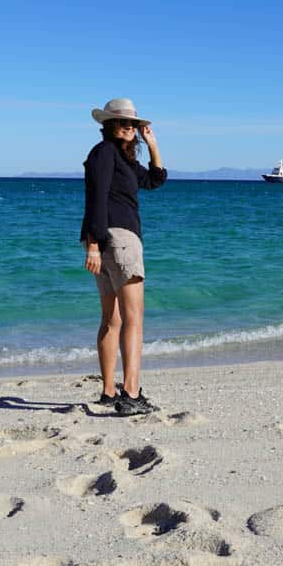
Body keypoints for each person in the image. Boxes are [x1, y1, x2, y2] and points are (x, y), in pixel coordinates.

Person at [80, 98, 167, 415]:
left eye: (133, 123)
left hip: (106, 240)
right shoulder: (104, 152)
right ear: (109, 125)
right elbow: (96, 197)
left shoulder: (124, 160)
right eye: (123, 122)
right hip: (118, 240)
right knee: (133, 318)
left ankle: (109, 392)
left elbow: (155, 180)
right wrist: (93, 244)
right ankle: (129, 393)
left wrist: (152, 143)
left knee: (113, 318)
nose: (129, 127)